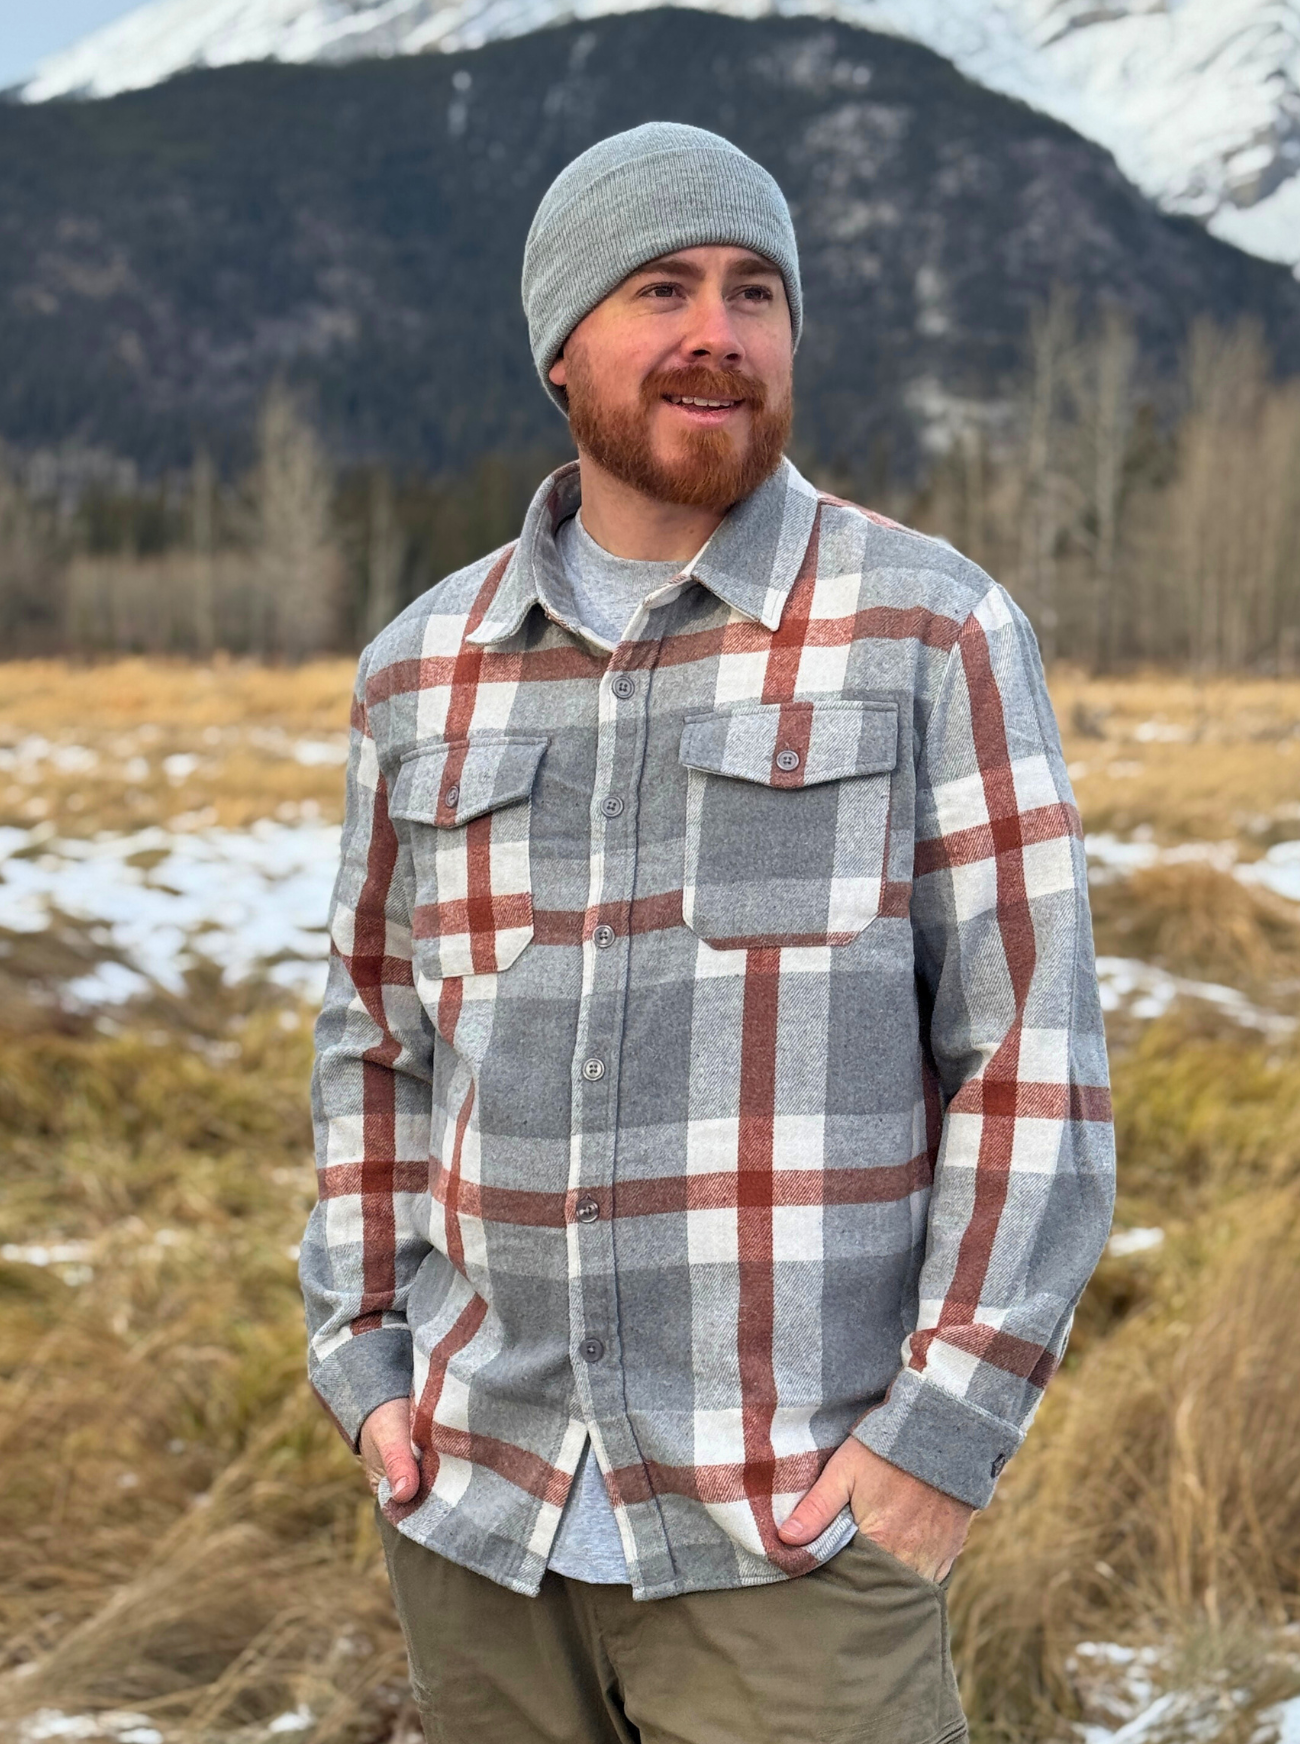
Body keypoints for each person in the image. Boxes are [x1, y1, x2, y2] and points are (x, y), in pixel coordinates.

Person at [300, 122, 1115, 1744]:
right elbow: (374, 1043)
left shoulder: (929, 629)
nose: (717, 334)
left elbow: (1032, 1059)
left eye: (756, 293)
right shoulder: (421, 671)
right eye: (662, 288)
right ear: (561, 344)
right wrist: (365, 1355)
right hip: (479, 1515)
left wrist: (937, 1444)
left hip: (794, 1535)